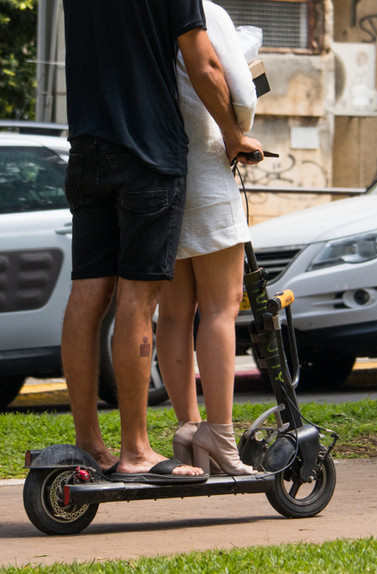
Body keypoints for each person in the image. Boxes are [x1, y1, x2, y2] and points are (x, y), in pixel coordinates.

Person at [61, 0, 263, 483]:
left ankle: (89, 442)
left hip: (88, 148)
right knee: (138, 296)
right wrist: (234, 135)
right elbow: (205, 63)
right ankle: (135, 450)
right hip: (148, 155)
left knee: (87, 292)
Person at [156, 1, 259, 475]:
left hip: (160, 172)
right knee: (221, 307)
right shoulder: (205, 10)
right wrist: (241, 131)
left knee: (174, 313)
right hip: (207, 167)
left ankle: (186, 427)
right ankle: (218, 432)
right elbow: (238, 90)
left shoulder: (139, 14)